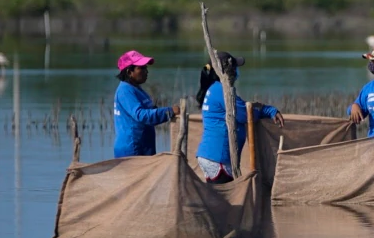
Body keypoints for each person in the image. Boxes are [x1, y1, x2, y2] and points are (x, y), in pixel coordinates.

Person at [196, 51, 284, 183]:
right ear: (227, 71)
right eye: (235, 67)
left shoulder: (214, 88)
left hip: (211, 155)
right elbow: (244, 114)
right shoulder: (222, 90)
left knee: (220, 198)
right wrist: (267, 110)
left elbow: (241, 107)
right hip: (218, 157)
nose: (237, 71)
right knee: (226, 199)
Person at [112, 50, 179, 158]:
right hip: (132, 150)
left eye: (146, 68)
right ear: (129, 72)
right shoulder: (125, 91)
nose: (146, 71)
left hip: (143, 147)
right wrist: (168, 112)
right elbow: (141, 115)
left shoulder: (136, 89)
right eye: (141, 68)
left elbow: (148, 112)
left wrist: (157, 111)